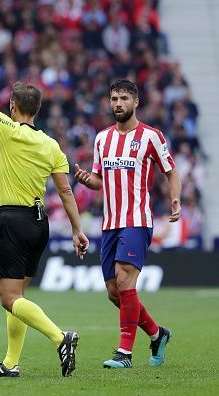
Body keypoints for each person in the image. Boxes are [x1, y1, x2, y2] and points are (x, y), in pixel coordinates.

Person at [0, 36, 88, 378]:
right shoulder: (52, 145)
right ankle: (11, 363)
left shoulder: (9, 131)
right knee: (18, 296)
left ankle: (59, 337)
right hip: (41, 224)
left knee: (9, 298)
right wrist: (78, 230)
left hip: (14, 220)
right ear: (37, 109)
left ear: (13, 107)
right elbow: (66, 192)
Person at [74, 79, 181, 369]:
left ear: (136, 102)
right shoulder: (101, 139)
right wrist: (88, 180)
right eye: (113, 98)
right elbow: (99, 180)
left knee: (124, 280)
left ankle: (124, 353)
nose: (117, 103)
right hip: (110, 224)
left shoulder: (151, 136)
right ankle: (158, 334)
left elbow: (171, 172)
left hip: (137, 220)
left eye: (123, 98)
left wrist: (175, 199)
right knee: (113, 291)